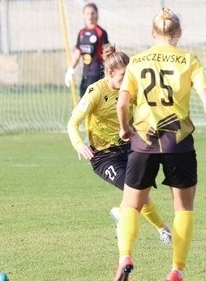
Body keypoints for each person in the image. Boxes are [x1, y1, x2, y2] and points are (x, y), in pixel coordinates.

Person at [115, 8, 206, 281]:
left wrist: (125, 128)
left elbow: (122, 104)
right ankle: (177, 270)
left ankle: (125, 255)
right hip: (179, 143)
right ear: (179, 33)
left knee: (131, 205)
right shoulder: (190, 60)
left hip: (143, 143)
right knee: (183, 208)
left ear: (152, 33)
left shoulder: (136, 62)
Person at [67, 43, 172, 244]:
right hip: (104, 156)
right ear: (109, 73)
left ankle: (161, 229)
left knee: (142, 191)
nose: (127, 80)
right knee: (134, 190)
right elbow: (73, 123)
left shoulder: (130, 88)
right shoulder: (95, 91)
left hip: (129, 147)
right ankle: (143, 223)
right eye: (123, 76)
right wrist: (79, 144)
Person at [65, 3, 110, 96]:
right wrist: (70, 69)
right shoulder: (81, 33)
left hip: (97, 73)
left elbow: (107, 54)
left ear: (96, 14)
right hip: (85, 73)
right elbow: (77, 53)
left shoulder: (101, 32)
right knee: (83, 99)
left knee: (90, 102)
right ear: (83, 15)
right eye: (87, 13)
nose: (90, 16)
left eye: (92, 13)